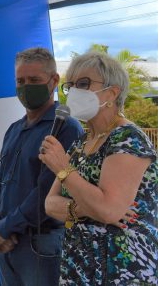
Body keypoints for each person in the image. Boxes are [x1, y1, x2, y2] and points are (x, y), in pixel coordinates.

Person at [40, 51, 157, 285]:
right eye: (70, 85)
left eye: (83, 84)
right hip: (79, 267)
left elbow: (108, 211)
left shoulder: (128, 139)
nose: (74, 92)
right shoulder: (81, 142)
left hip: (122, 269)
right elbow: (50, 205)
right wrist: (87, 207)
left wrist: (64, 170)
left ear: (112, 93)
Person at [0, 47, 84, 285]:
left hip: (40, 245)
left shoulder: (66, 128)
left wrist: (6, 227)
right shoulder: (14, 129)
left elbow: (48, 190)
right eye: (20, 81)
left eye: (34, 80)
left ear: (53, 81)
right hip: (6, 241)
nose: (25, 87)